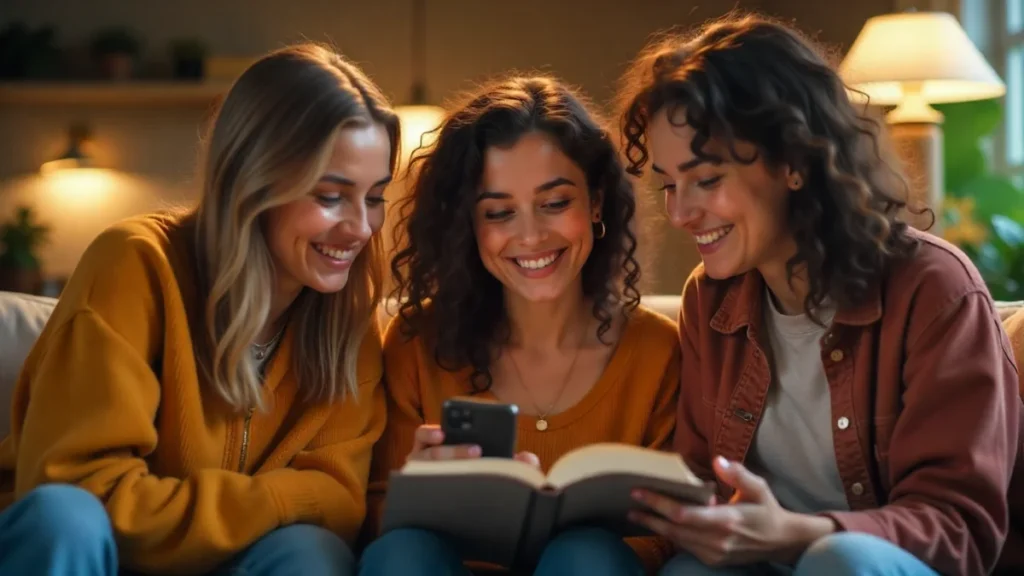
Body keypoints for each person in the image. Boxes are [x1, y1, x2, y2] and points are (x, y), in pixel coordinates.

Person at [614, 12, 1024, 576]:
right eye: (668, 183)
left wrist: (797, 534)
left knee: (838, 559)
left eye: (706, 179)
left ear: (795, 163)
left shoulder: (934, 290)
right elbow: (700, 480)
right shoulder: (710, 301)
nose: (681, 213)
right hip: (768, 564)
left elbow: (960, 529)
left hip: (870, 563)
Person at [0, 43, 397, 576]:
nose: (361, 228)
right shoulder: (135, 263)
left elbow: (340, 504)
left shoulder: (350, 313)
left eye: (374, 197)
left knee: (310, 552)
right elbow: (85, 494)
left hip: (232, 558)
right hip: (97, 558)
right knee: (65, 517)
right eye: (330, 196)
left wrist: (199, 514)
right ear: (253, 181)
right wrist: (277, 501)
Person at [357, 76, 681, 575]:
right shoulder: (414, 342)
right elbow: (373, 528)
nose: (530, 236)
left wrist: (565, 545)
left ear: (595, 202)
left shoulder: (658, 351)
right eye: (499, 212)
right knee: (403, 551)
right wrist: (416, 495)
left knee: (586, 555)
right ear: (468, 222)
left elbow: (668, 537)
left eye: (555, 203)